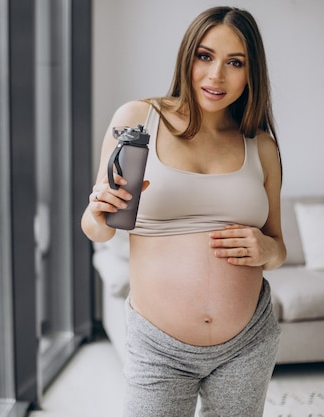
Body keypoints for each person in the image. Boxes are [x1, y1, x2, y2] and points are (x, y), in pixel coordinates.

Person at [82, 6, 285, 417]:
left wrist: (266, 249)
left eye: (235, 63)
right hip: (158, 346)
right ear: (187, 57)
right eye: (205, 57)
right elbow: (99, 229)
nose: (216, 77)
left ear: (251, 73)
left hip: (248, 342)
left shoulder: (260, 145)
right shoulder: (138, 120)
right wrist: (97, 213)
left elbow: (279, 249)